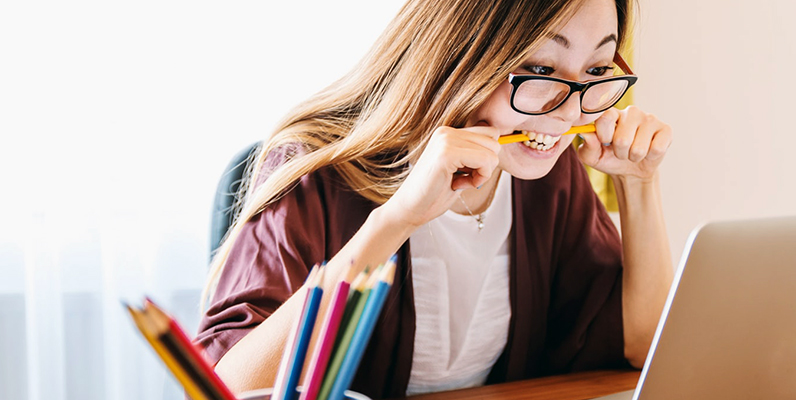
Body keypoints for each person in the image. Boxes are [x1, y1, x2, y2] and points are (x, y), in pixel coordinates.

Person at [196, 0, 674, 398]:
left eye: (595, 70)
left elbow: (643, 345)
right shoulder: (315, 169)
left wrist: (639, 184)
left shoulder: (549, 175)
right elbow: (231, 387)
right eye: (541, 68)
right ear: (459, 55)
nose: (570, 112)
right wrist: (398, 220)